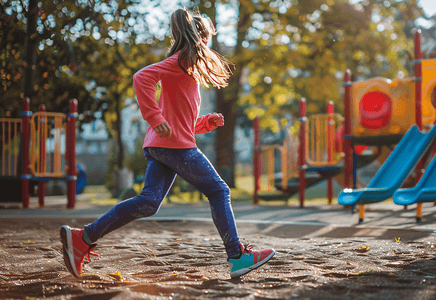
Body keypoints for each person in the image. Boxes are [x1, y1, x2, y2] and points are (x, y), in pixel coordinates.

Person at [60, 7, 275, 279]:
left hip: (162, 144)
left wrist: (205, 122)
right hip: (174, 146)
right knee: (219, 191)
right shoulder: (181, 61)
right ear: (199, 39)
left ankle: (83, 238)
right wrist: (153, 115)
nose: (207, 45)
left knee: (149, 202)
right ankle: (237, 256)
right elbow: (141, 78)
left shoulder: (185, 71)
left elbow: (181, 121)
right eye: (206, 39)